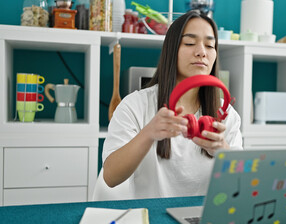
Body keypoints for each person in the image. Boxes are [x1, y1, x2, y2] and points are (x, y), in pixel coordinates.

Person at [99, 10, 243, 200]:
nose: (202, 52)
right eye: (190, 43)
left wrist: (221, 150)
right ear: (171, 49)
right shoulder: (135, 105)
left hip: (201, 220)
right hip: (152, 219)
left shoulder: (226, 115)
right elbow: (110, 177)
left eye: (210, 45)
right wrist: (149, 133)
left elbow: (240, 185)